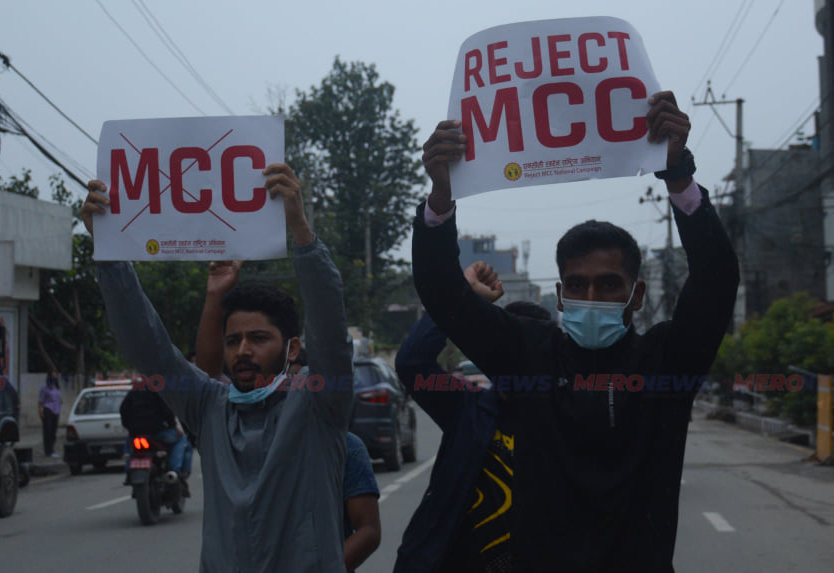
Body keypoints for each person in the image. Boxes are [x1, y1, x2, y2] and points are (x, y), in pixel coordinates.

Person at [413, 91, 740, 572]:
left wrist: (678, 173)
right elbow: (442, 291)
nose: (592, 295)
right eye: (577, 284)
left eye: (608, 284)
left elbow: (716, 280)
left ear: (637, 295)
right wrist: (442, 196)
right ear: (560, 295)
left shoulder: (667, 364)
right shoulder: (528, 355)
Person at [82, 163, 353, 572]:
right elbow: (150, 348)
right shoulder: (210, 408)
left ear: (293, 348)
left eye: (258, 338)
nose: (243, 350)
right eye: (232, 340)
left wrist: (300, 230)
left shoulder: (319, 405)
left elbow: (331, 330)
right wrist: (110, 254)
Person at [194, 260, 381, 572]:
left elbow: (368, 530)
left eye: (302, 382)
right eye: (234, 341)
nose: (292, 391)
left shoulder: (345, 447)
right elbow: (207, 377)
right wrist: (215, 295)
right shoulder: (230, 432)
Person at [394, 264, 552, 573]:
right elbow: (412, 362)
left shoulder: (567, 418)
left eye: (529, 351)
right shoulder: (468, 409)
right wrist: (465, 297)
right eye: (508, 348)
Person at [119, 384, 189, 489]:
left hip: (136, 433)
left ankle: (129, 471)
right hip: (157, 433)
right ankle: (174, 470)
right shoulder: (158, 392)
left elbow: (123, 410)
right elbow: (167, 411)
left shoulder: (133, 392)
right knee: (181, 439)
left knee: (129, 446)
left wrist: (130, 427)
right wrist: (174, 426)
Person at [38, 371, 62, 458]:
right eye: (53, 376)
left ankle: (52, 449)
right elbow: (40, 402)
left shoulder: (57, 389)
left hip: (56, 411)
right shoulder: (44, 389)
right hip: (48, 410)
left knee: (54, 432)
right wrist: (40, 412)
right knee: (48, 431)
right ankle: (48, 450)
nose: (54, 378)